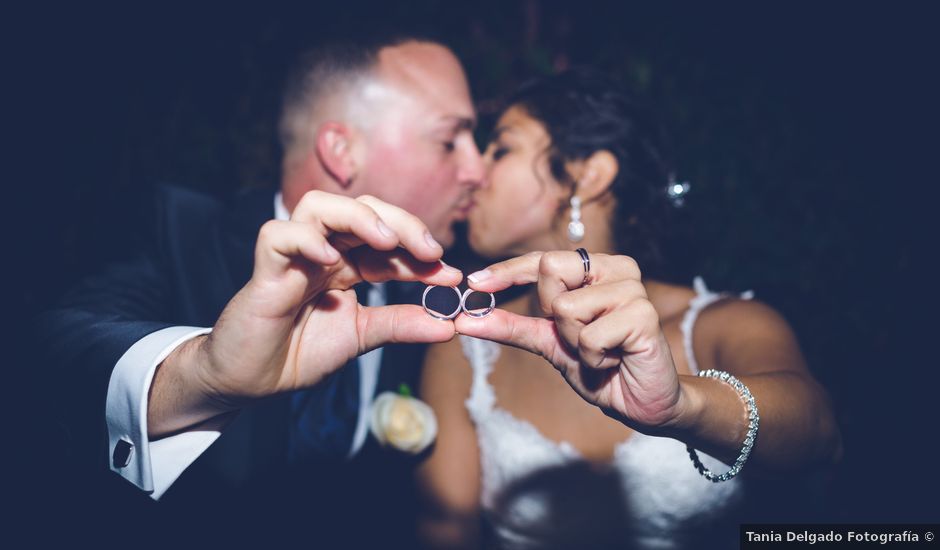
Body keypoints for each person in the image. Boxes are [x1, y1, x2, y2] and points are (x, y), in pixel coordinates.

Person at [39, 35, 483, 541]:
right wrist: (201, 373)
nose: (478, 171)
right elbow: (49, 350)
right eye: (450, 140)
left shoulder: (434, 295)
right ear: (342, 151)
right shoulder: (176, 228)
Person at [416, 69, 843, 549]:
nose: (473, 172)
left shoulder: (722, 326)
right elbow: (446, 530)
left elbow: (820, 437)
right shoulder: (466, 345)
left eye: (501, 148)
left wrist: (684, 407)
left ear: (588, 175)